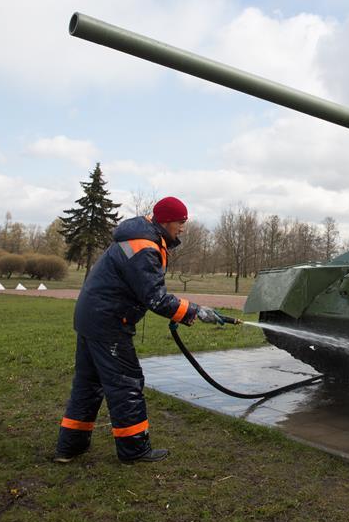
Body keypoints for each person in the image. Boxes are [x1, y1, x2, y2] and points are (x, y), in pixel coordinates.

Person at [54, 196, 231, 463]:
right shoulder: (145, 246)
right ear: (166, 221)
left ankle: (70, 447)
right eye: (181, 222)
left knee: (88, 384)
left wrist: (184, 311)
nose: (183, 228)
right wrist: (195, 311)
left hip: (92, 317)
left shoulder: (139, 236)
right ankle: (134, 450)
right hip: (109, 322)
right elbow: (156, 298)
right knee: (126, 383)